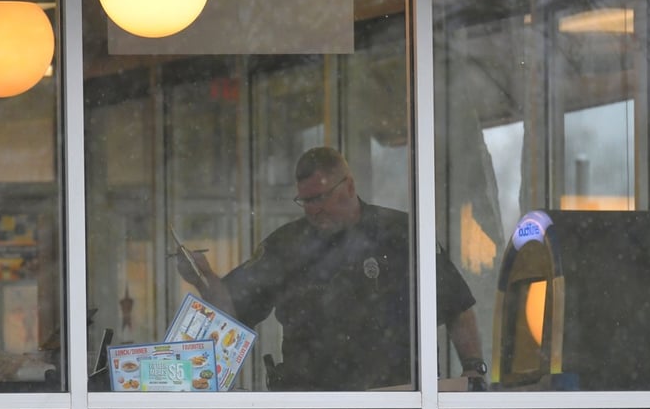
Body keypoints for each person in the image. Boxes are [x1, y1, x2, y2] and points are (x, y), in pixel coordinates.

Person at [177, 146, 486, 391]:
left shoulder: (401, 234)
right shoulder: (287, 246)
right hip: (313, 406)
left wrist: (473, 370)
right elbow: (231, 309)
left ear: (348, 186)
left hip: (396, 402)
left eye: (321, 197)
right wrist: (203, 277)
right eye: (305, 201)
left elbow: (457, 306)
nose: (314, 209)